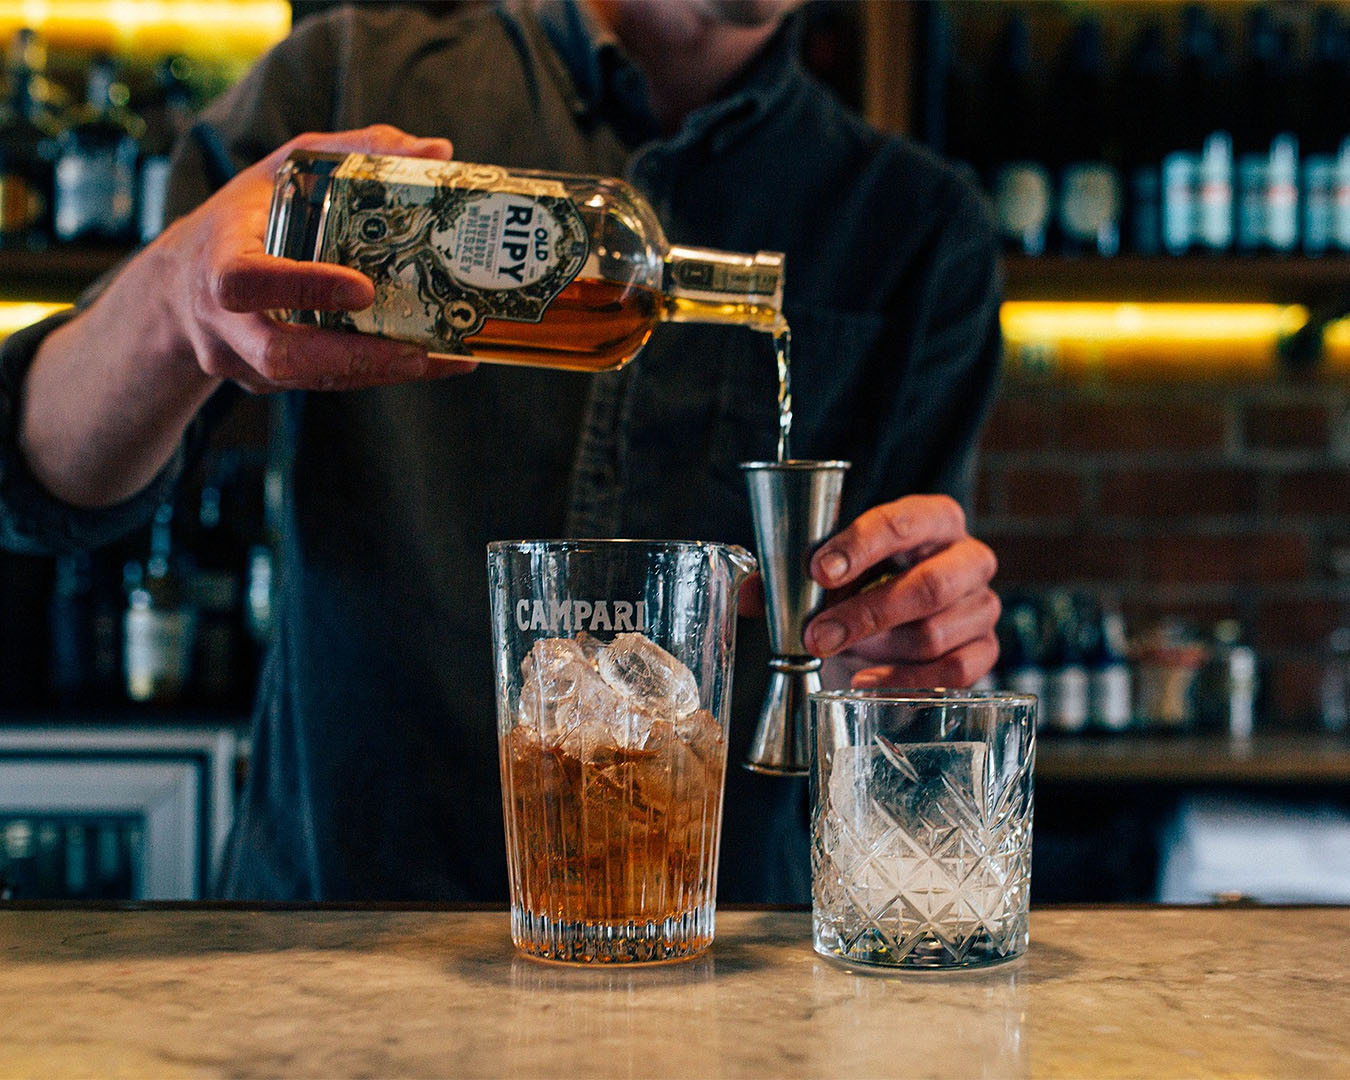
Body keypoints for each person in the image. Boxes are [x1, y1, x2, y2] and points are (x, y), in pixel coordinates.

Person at [0, 0, 1002, 902]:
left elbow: (897, 676)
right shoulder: (352, 79)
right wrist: (170, 306)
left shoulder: (919, 227)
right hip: (335, 946)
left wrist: (917, 639)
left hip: (714, 959)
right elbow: (42, 484)